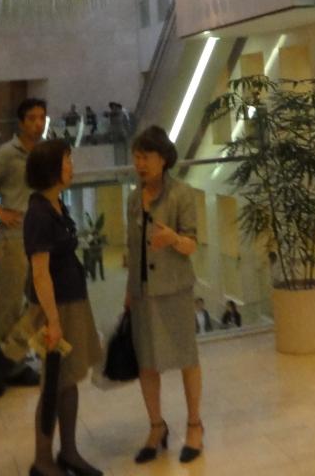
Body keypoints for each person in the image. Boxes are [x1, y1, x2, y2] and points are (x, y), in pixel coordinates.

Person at [23, 138, 103, 476]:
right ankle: (43, 460)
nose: (71, 166)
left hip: (71, 300)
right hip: (56, 309)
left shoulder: (56, 205)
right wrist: (53, 321)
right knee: (54, 382)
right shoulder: (39, 213)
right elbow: (40, 273)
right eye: (66, 160)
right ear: (51, 169)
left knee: (68, 380)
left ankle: (68, 451)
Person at [125, 125, 204, 465]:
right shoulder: (133, 198)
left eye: (146, 157)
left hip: (174, 290)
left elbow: (191, 245)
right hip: (142, 292)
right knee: (147, 363)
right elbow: (132, 249)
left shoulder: (181, 194)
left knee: (187, 358)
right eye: (136, 157)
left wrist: (172, 239)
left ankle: (195, 425)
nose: (140, 164)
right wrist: (129, 292)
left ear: (163, 159)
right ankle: (156, 426)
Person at [0, 96, 48, 394]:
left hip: (39, 234)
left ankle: (5, 357)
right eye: (32, 118)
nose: (38, 123)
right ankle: (12, 367)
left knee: (43, 300)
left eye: (41, 118)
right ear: (21, 123)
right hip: (14, 236)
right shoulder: (8, 152)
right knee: (10, 303)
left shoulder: (43, 152)